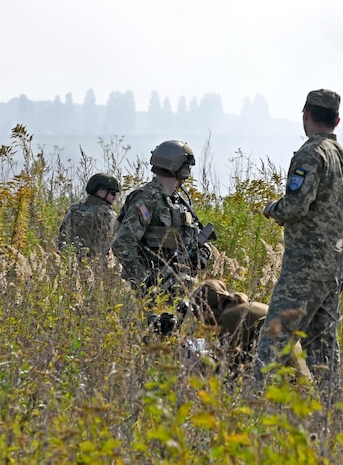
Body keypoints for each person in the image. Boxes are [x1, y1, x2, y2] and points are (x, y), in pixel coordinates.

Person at [255, 89, 343, 397]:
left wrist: (272, 209)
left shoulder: (311, 154)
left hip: (305, 263)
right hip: (336, 265)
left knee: (274, 335)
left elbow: (296, 206)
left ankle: (258, 405)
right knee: (323, 342)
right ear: (337, 120)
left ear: (306, 115)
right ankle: (331, 412)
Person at [112, 140, 215, 302]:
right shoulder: (147, 201)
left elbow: (194, 239)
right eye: (186, 166)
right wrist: (145, 281)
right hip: (152, 292)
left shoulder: (178, 201)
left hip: (179, 286)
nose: (188, 171)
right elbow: (122, 243)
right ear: (177, 167)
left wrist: (202, 253)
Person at [191, 278, 269, 373]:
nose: (198, 319)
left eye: (196, 313)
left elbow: (227, 365)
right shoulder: (248, 306)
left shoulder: (231, 316)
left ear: (206, 309)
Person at [58, 172, 121, 257]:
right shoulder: (108, 214)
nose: (115, 197)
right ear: (101, 192)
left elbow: (63, 235)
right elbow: (118, 240)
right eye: (112, 193)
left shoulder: (74, 209)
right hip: (97, 264)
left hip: (71, 261)